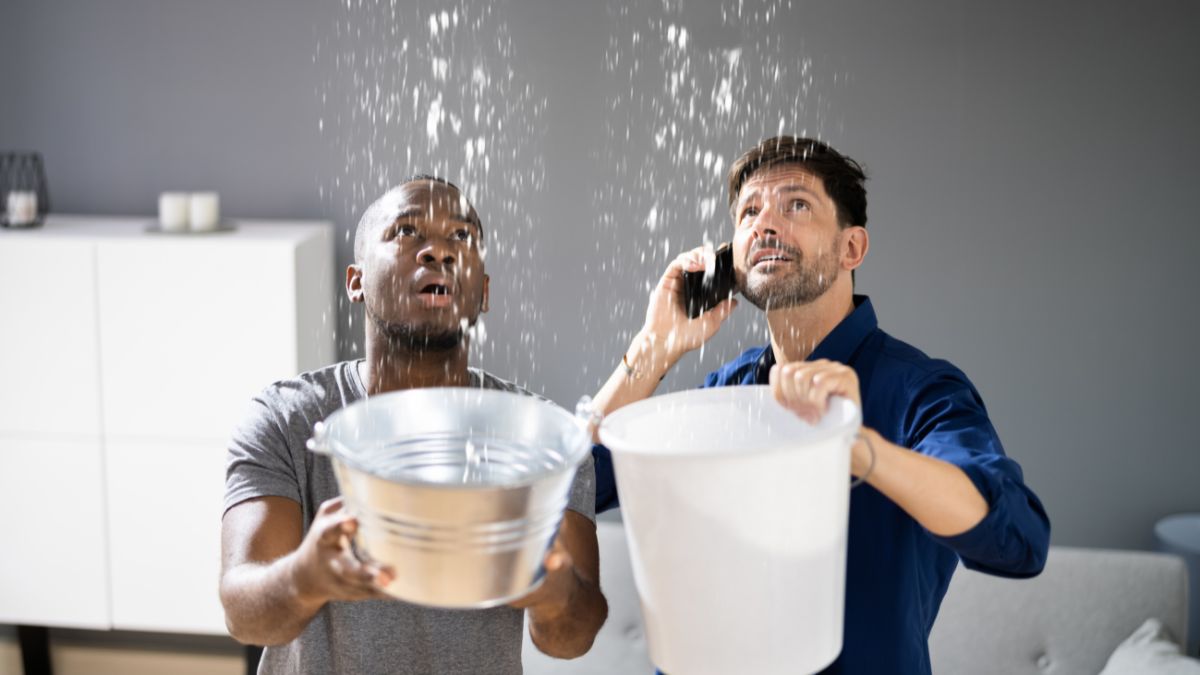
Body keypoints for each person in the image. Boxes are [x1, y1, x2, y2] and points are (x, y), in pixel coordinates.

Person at [590, 136, 1050, 674]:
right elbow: (576, 486)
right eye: (749, 212)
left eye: (796, 205)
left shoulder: (921, 391)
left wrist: (858, 448)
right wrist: (655, 345)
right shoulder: (724, 393)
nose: (765, 224)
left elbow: (1020, 540)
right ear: (731, 261)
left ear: (852, 249)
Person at [219, 176, 607, 674]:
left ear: (483, 292)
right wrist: (305, 577)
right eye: (406, 232)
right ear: (355, 281)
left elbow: (570, 640)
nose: (439, 252)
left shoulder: (539, 438)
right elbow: (243, 616)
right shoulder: (287, 419)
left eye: (461, 238)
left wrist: (553, 591)